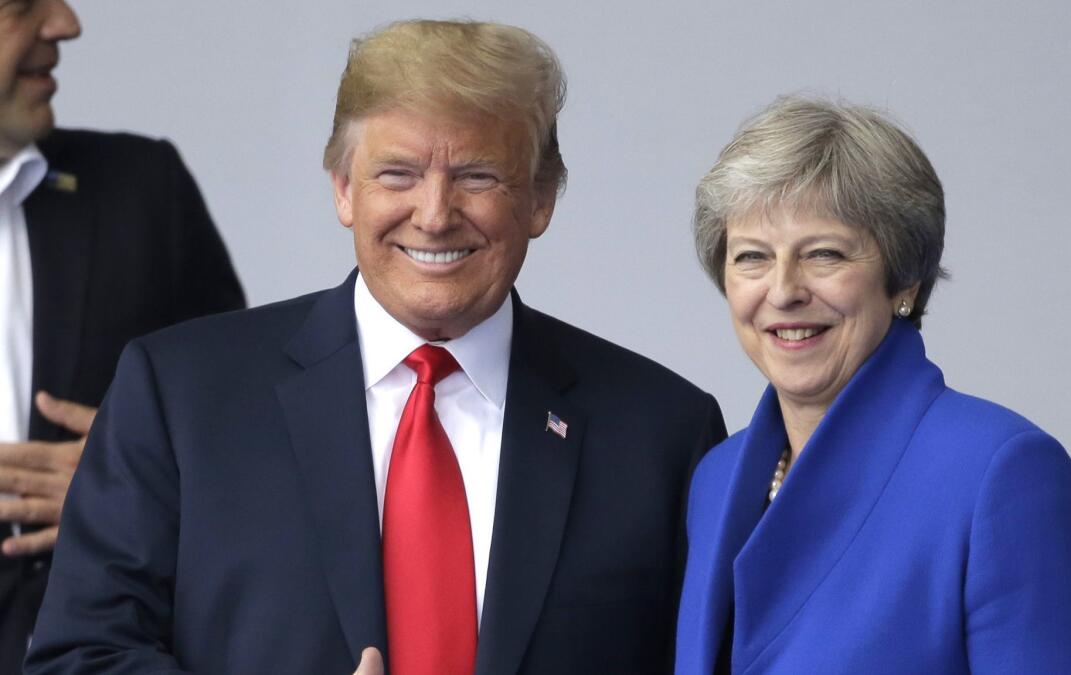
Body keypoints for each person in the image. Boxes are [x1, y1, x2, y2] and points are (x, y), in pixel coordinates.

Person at [26, 19, 726, 675]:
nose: (434, 213)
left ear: (541, 198)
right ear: (343, 189)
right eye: (398, 174)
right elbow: (81, 655)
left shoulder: (663, 433)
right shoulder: (180, 394)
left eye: (478, 175)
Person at [674, 96, 1071, 673]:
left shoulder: (1000, 474)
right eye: (752, 257)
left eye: (824, 254)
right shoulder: (717, 478)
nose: (783, 291)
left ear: (904, 277)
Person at [0, 0, 244, 669]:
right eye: (22, 4)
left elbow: (258, 450)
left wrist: (131, 482)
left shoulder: (144, 193)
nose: (65, 23)